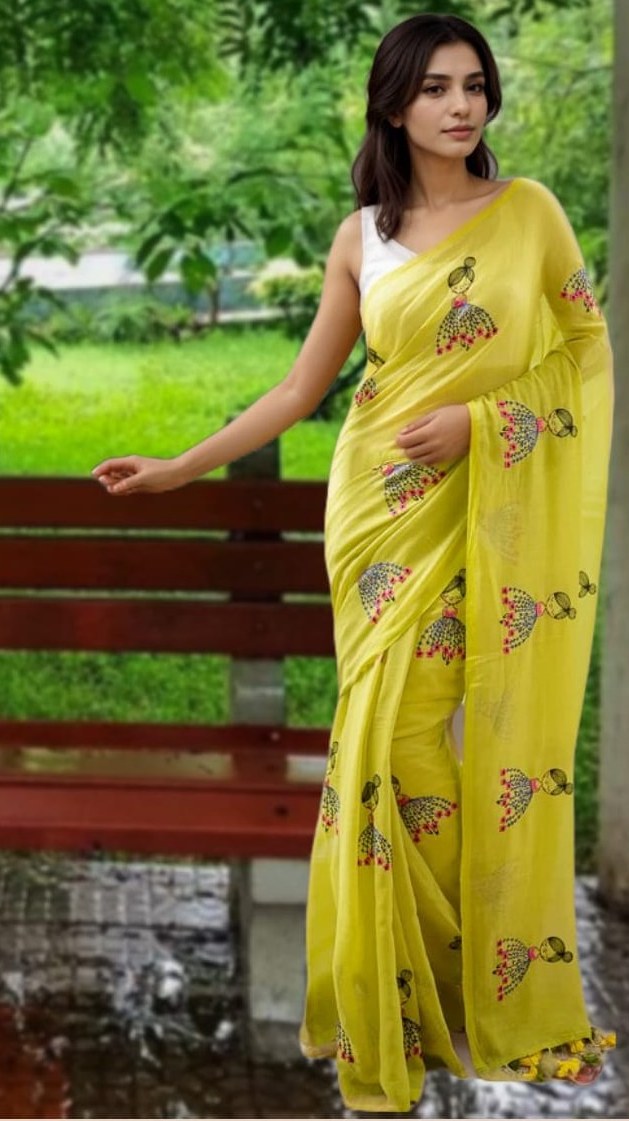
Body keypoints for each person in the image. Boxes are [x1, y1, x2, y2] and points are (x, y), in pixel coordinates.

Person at [92, 11, 616, 1114]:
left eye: (473, 84)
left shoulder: (528, 216)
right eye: (433, 87)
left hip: (481, 504)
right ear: (392, 104)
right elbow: (298, 390)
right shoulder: (360, 234)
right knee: (383, 733)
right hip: (374, 508)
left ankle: (453, 985)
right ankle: (402, 995)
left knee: (418, 736)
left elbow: (582, 356)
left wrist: (485, 423)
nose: (459, 104)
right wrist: (180, 467)